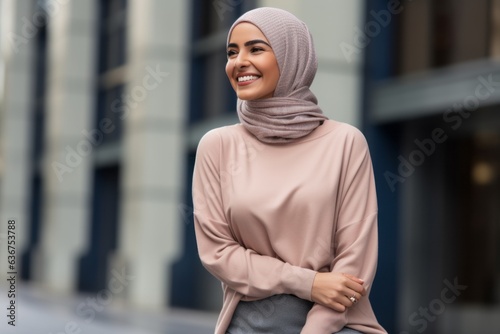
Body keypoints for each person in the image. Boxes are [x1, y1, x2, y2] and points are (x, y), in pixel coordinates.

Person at [192, 7, 387, 334]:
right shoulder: (218, 146)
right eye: (231, 51)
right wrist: (307, 282)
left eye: (256, 48)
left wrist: (315, 328)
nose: (239, 61)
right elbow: (218, 253)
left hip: (336, 322)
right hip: (251, 323)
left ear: (292, 55)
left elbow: (356, 260)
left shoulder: (345, 142)